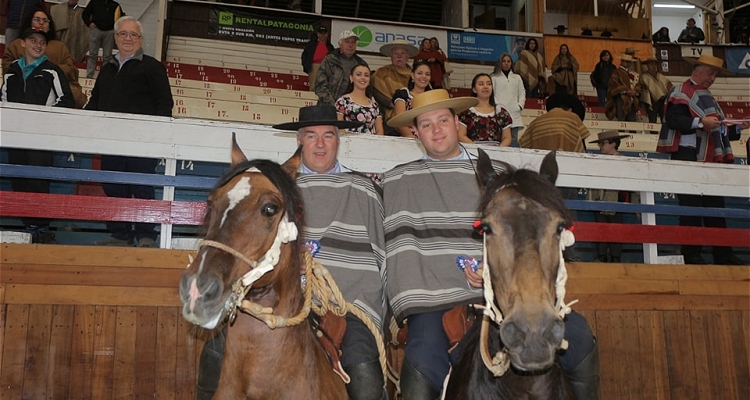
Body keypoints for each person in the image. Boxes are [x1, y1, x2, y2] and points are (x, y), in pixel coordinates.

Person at [387, 89, 600, 400]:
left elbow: (524, 237)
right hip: (433, 300)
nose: (436, 129)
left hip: (503, 294)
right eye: (427, 124)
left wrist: (492, 271)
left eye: (443, 120)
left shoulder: (498, 177)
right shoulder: (399, 181)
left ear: (456, 121)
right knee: (422, 359)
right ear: (415, 132)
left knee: (579, 338)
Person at [196, 105, 388, 400]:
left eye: (328, 136)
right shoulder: (274, 189)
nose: (320, 144)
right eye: (312, 136)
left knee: (364, 371)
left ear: (339, 140)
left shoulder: (362, 188)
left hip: (347, 303)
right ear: (300, 141)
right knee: (213, 352)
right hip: (279, 299)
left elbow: (378, 254)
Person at [85, 16, 173, 247]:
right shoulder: (107, 68)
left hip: (143, 142)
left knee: (142, 187)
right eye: (123, 33)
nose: (128, 38)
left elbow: (165, 105)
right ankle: (119, 234)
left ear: (141, 39)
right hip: (111, 141)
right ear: (115, 37)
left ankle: (145, 235)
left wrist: (157, 137)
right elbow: (95, 101)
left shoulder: (153, 67)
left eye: (133, 34)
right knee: (113, 186)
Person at [656, 55, 749, 265]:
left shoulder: (706, 96)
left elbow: (717, 129)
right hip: (688, 153)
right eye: (710, 73)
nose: (713, 78)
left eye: (715, 74)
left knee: (716, 206)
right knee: (691, 206)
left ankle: (722, 253)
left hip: (708, 155)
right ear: (698, 70)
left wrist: (737, 128)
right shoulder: (681, 91)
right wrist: (700, 123)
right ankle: (692, 253)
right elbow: (673, 120)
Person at [1, 26, 75, 244]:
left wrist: (44, 121)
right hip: (16, 137)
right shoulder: (12, 70)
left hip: (41, 138)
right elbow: (3, 99)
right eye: (32, 40)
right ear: (22, 43)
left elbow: (66, 100)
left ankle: (42, 229)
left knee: (38, 182)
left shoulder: (52, 70)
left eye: (42, 42)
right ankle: (28, 227)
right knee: (19, 181)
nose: (37, 45)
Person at [519, 92, 590, 263]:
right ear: (571, 109)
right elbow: (581, 149)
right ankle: (569, 254)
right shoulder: (572, 119)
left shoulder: (536, 122)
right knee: (567, 214)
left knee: (542, 214)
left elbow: (524, 144)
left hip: (541, 178)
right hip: (567, 174)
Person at [2, 8, 87, 108]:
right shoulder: (15, 49)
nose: (41, 23)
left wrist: (48, 70)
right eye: (37, 20)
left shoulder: (60, 48)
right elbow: (6, 66)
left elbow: (71, 70)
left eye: (45, 21)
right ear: (23, 43)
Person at [587, 130, 638, 263]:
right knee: (601, 227)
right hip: (601, 198)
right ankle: (602, 255)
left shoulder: (623, 161)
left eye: (603, 143)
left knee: (615, 227)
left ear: (613, 144)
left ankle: (615, 256)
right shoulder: (599, 161)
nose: (601, 147)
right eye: (600, 144)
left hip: (616, 199)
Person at [371, 40, 419, 134]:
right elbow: (378, 94)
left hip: (415, 118)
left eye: (402, 53)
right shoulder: (381, 73)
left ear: (407, 56)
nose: (399, 56)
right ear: (391, 56)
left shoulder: (417, 74)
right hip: (388, 120)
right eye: (396, 53)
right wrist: (397, 106)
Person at [315, 30, 369, 106]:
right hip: (327, 107)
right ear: (340, 44)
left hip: (352, 110)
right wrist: (333, 105)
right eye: (347, 42)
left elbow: (367, 90)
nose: (350, 45)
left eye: (353, 42)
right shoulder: (330, 60)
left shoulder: (361, 64)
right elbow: (320, 85)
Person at [457, 73, 511, 146]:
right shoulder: (465, 112)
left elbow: (507, 137)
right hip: (473, 152)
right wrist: (477, 149)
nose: (486, 87)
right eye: (481, 84)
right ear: (474, 89)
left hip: (496, 153)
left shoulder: (502, 112)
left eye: (489, 84)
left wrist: (498, 151)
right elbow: (461, 135)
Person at [335, 64, 384, 135]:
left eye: (366, 75)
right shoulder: (343, 101)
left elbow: (380, 130)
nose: (363, 78)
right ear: (351, 78)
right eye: (358, 74)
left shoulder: (374, 104)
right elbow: (339, 127)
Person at [81, 0, 124, 78]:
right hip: (96, 30)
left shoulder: (115, 5)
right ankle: (89, 75)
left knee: (107, 56)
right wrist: (89, 23)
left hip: (110, 32)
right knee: (92, 54)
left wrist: (117, 29)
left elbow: (120, 18)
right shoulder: (94, 2)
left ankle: (104, 76)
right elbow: (85, 14)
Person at [490, 53, 525, 146]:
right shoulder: (493, 77)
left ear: (511, 63)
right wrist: (499, 107)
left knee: (513, 140)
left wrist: (520, 105)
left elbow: (522, 92)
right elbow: (491, 94)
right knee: (500, 140)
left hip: (514, 113)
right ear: (500, 63)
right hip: (499, 114)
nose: (506, 63)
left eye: (508, 61)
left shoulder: (517, 77)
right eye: (504, 61)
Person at [391, 61, 432, 137]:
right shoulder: (403, 94)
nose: (424, 76)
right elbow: (401, 121)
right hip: (408, 141)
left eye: (427, 74)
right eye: (420, 73)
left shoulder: (432, 97)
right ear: (413, 75)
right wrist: (412, 139)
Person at [605, 54, 641, 122]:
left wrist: (635, 91)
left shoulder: (633, 74)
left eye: (629, 62)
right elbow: (613, 84)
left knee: (632, 120)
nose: (628, 63)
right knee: (622, 119)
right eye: (626, 61)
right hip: (621, 98)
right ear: (622, 61)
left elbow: (638, 84)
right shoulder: (616, 72)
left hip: (632, 100)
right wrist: (626, 91)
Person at [301, 25, 334, 93]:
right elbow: (304, 55)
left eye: (324, 33)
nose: (322, 35)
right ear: (318, 34)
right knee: (313, 86)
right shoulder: (311, 44)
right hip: (314, 66)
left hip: (326, 67)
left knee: (324, 86)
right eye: (321, 33)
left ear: (327, 34)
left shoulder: (330, 47)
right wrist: (307, 66)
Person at [640, 58, 673, 124]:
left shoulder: (661, 76)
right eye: (651, 64)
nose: (654, 66)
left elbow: (669, 85)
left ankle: (663, 133)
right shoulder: (644, 77)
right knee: (652, 119)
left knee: (664, 118)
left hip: (662, 100)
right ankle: (653, 133)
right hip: (651, 100)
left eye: (655, 64)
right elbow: (645, 90)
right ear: (647, 66)